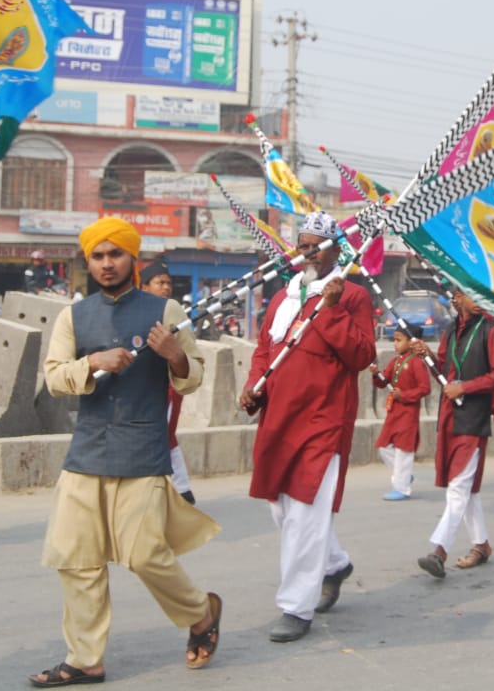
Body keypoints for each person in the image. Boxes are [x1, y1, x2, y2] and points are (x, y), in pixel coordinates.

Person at [34, 216, 220, 684]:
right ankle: (85, 659)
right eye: (97, 256)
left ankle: (201, 614)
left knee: (144, 555)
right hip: (88, 452)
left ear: (131, 258)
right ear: (89, 262)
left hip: (141, 450)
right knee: (76, 558)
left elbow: (193, 375)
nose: (106, 263)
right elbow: (55, 377)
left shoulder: (167, 310)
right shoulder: (72, 316)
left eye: (115, 254)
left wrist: (174, 355)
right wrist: (92, 362)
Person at [239, 212, 375, 642]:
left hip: (323, 417)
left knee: (304, 509)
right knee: (281, 507)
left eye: (317, 245)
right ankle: (334, 564)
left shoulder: (351, 295)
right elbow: (266, 349)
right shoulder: (284, 295)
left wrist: (332, 311)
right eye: (303, 243)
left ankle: (296, 607)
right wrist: (253, 385)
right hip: (279, 414)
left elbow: (361, 355)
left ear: (336, 249)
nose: (308, 251)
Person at [415, 289, 494, 578]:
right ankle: (481, 545)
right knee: (466, 489)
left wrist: (465, 387)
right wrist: (428, 356)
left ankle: (439, 549)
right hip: (450, 415)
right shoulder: (452, 330)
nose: (478, 299)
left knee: (458, 486)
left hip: (474, 418)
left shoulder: (490, 331)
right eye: (470, 293)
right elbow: (444, 372)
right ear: (457, 298)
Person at [142, 258, 195, 505]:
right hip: (144, 386)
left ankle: (182, 489)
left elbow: (187, 351)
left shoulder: (174, 312)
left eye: (168, 282)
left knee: (165, 434)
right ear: (144, 286)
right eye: (159, 282)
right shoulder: (138, 314)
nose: (165, 287)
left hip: (169, 384)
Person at [370, 325, 431, 500]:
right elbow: (383, 382)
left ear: (412, 343)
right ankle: (403, 475)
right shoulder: (395, 361)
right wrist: (376, 374)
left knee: (404, 449)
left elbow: (425, 388)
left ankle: (402, 487)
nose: (395, 344)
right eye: (394, 340)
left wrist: (404, 395)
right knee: (384, 447)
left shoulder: (417, 363)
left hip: (408, 412)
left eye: (399, 340)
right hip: (394, 411)